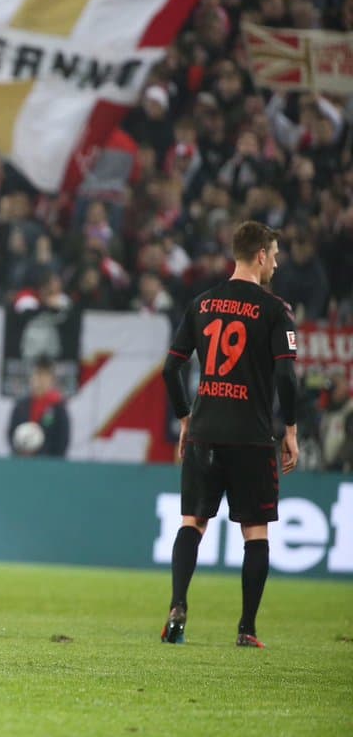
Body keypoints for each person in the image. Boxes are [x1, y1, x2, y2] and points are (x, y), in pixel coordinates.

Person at [159, 221, 299, 649]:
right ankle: (247, 629)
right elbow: (287, 378)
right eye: (273, 254)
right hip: (250, 436)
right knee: (255, 532)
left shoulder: (201, 303)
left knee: (192, 523)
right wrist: (290, 430)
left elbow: (171, 369)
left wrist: (185, 418)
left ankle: (178, 606)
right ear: (260, 255)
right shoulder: (276, 310)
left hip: (204, 432)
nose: (275, 262)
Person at [6, 357, 70, 458]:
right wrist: (19, 452)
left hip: (48, 463)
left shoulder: (58, 407)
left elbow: (62, 439)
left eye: (45, 375)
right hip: (21, 461)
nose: (41, 380)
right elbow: (11, 433)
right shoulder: (21, 406)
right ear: (31, 377)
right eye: (38, 374)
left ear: (52, 380)